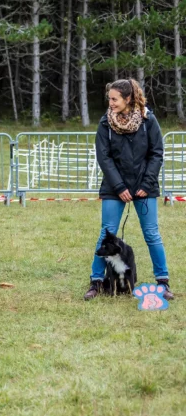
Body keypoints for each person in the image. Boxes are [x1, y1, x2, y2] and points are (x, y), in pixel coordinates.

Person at [84, 79, 173, 300]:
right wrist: (119, 186)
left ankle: (163, 282)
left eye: (115, 99)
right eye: (109, 99)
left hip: (145, 186)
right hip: (115, 187)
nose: (111, 103)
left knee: (152, 234)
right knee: (106, 233)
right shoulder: (105, 123)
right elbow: (104, 158)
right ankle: (96, 282)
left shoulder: (148, 120)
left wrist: (146, 183)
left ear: (128, 99)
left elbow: (156, 153)